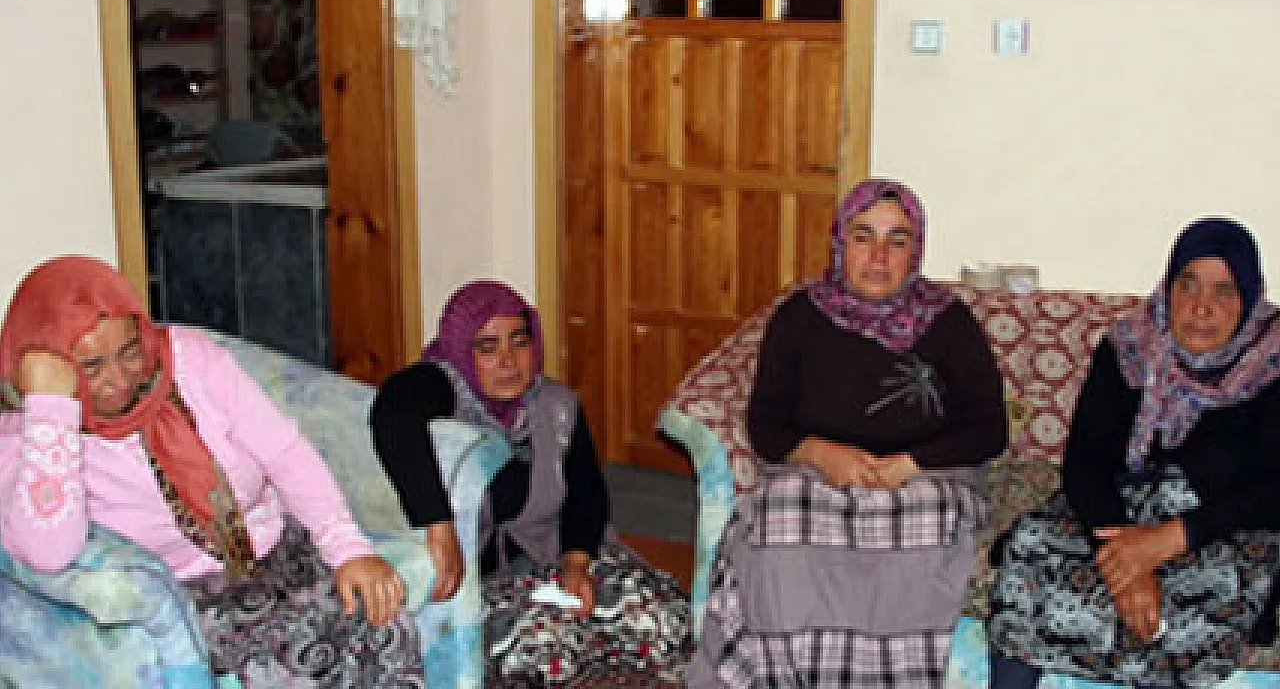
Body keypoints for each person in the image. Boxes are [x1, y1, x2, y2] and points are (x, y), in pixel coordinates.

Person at [0, 256, 423, 686]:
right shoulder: (29, 432)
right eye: (91, 366)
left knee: (381, 616)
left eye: (130, 352)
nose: (120, 379)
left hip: (279, 549)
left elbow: (285, 452)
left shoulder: (189, 360)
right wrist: (51, 409)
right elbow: (47, 552)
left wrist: (348, 549)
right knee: (287, 665)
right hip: (192, 599)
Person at [684, 178, 1008, 688]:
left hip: (926, 477)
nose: (879, 256)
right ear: (839, 243)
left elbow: (989, 428)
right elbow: (766, 425)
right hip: (819, 476)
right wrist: (820, 454)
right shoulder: (798, 318)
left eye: (897, 240)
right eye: (863, 236)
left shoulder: (947, 321)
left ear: (916, 250)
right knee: (780, 517)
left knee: (926, 519)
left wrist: (909, 465)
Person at [987, 218, 1280, 688]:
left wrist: (1171, 538)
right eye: (1188, 284)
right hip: (1124, 516)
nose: (1201, 306)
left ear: (1248, 298)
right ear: (1169, 287)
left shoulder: (1272, 363)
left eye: (1224, 291)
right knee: (1029, 546)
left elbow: (1272, 491)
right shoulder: (1129, 348)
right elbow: (1086, 465)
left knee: (1214, 589)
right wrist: (1126, 562)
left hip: (1220, 529)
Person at [369, 279, 690, 686]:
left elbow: (586, 494)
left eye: (519, 342)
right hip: (483, 584)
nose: (509, 361)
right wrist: (438, 522)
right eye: (487, 347)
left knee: (663, 620)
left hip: (554, 559)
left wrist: (576, 565)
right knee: (547, 654)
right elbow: (392, 412)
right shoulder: (443, 390)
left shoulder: (556, 406)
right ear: (461, 352)